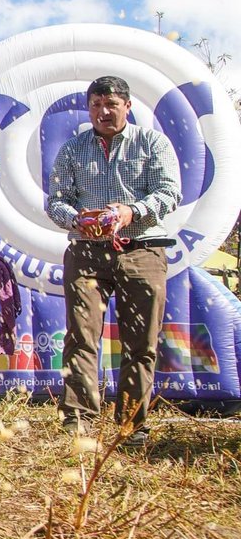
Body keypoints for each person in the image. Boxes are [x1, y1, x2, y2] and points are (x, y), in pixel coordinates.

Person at [46, 75, 181, 447]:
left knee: (141, 342)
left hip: (142, 249)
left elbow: (170, 192)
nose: (103, 112)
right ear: (88, 108)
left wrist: (131, 211)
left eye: (111, 105)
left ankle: (131, 425)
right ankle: (77, 420)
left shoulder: (151, 142)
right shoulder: (73, 148)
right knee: (81, 336)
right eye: (96, 105)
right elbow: (55, 200)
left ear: (127, 106)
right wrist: (77, 219)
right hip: (87, 253)